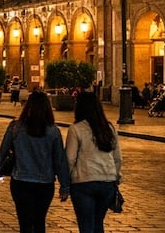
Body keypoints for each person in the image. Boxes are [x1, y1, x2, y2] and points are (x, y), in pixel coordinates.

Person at [0, 90, 71, 233]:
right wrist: (64, 185)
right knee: (39, 221)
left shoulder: (15, 127)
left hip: (21, 181)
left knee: (24, 223)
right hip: (45, 183)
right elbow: (59, 160)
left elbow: (3, 150)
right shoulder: (53, 131)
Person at [65, 92, 122, 233]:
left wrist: (67, 181)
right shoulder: (108, 128)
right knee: (98, 223)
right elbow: (118, 157)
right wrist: (116, 177)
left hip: (84, 182)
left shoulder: (76, 129)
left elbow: (70, 159)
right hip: (107, 181)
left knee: (86, 225)